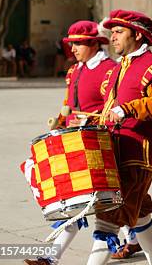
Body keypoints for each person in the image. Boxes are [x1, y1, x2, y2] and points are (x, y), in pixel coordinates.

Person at [86, 9, 152, 265]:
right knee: (141, 216)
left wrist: (129, 109)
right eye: (112, 32)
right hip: (113, 153)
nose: (112, 37)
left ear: (138, 35)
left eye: (119, 32)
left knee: (107, 219)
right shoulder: (119, 68)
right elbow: (109, 111)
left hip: (136, 157)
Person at [24, 21, 116, 265]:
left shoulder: (109, 70)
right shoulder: (75, 70)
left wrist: (88, 121)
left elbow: (112, 109)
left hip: (98, 147)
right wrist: (61, 121)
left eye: (77, 44)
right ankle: (49, 258)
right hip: (74, 145)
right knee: (74, 202)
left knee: (114, 210)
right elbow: (69, 104)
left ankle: (133, 239)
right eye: (71, 44)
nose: (72, 48)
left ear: (94, 43)